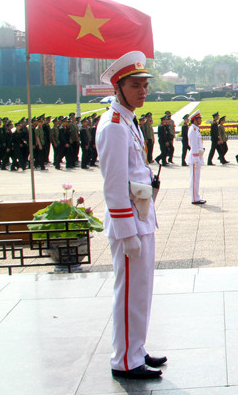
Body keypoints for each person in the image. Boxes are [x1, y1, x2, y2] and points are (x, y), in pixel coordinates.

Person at [95, 51, 166, 379]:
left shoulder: (127, 121)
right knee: (128, 292)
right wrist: (126, 232)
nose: (142, 91)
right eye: (135, 85)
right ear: (118, 87)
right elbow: (112, 186)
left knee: (141, 290)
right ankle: (124, 360)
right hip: (129, 224)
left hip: (141, 216)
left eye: (144, 86)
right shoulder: (113, 126)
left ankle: (135, 348)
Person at [187, 110, 206, 204]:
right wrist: (196, 159)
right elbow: (194, 145)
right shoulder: (193, 130)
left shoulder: (195, 129)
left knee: (196, 179)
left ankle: (196, 197)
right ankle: (194, 198)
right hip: (195, 158)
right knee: (194, 179)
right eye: (199, 119)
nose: (200, 120)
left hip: (197, 157)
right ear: (194, 120)